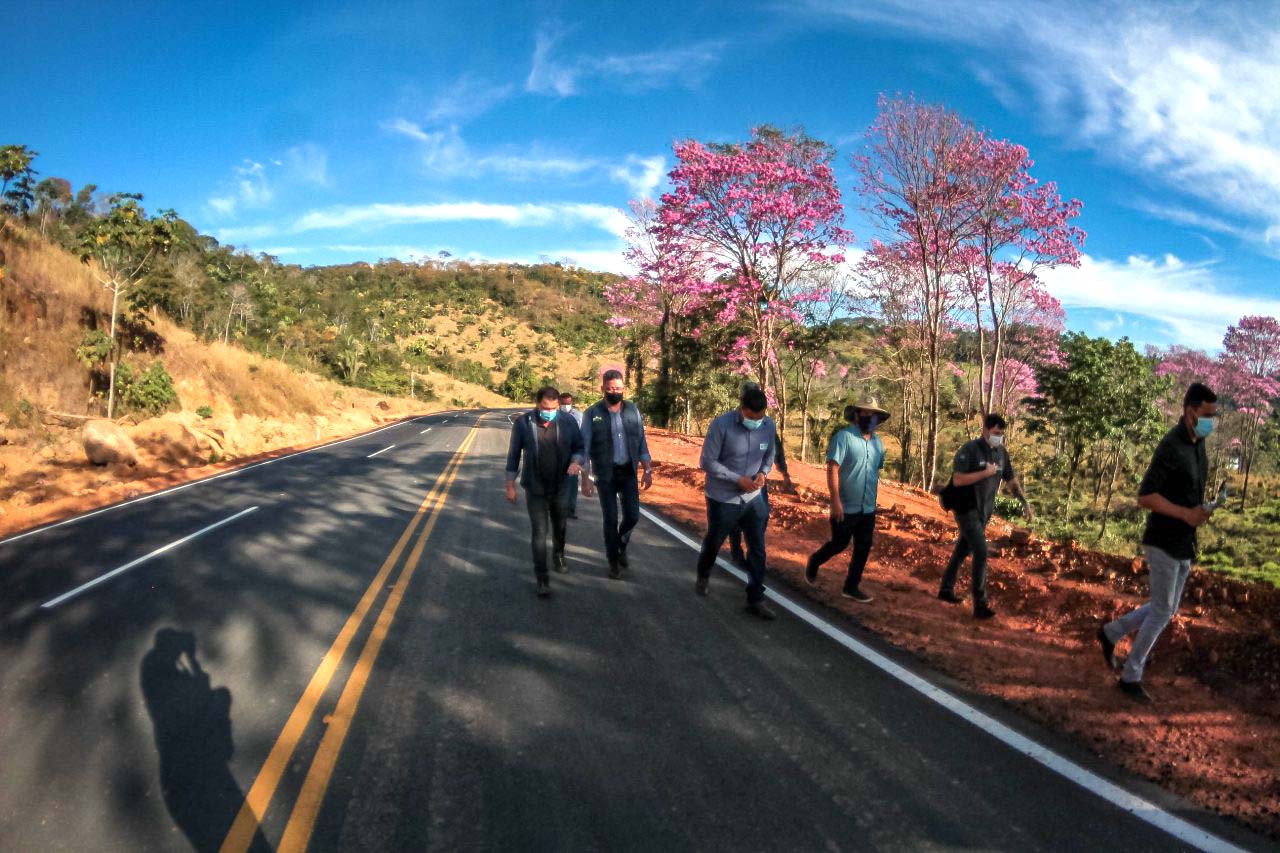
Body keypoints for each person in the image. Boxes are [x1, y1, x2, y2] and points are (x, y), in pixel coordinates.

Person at [1098, 383, 1218, 704]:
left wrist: (1201, 511)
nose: (1211, 422)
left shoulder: (1198, 444)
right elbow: (1145, 496)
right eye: (1207, 415)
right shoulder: (1171, 446)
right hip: (1163, 540)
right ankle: (1131, 675)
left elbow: (1187, 492)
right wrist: (1184, 514)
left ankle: (1111, 633)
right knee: (1164, 609)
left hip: (1185, 541)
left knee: (1166, 608)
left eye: (1214, 416)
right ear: (1190, 411)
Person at [937, 413, 1033, 619]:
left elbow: (1011, 480)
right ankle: (980, 604)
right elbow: (958, 480)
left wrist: (1024, 502)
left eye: (1001, 434)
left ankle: (945, 590)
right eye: (995, 433)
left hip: (984, 512)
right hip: (966, 509)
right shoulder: (970, 450)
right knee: (981, 551)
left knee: (962, 550)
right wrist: (985, 473)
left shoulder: (1001, 454)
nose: (999, 437)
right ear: (985, 430)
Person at [695, 385, 778, 620]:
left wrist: (763, 473)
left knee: (758, 548)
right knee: (714, 541)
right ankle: (703, 574)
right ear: (742, 410)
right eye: (752, 417)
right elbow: (707, 461)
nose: (757, 422)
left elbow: (769, 455)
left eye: (760, 417)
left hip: (754, 497)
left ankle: (755, 598)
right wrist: (736, 479)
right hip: (723, 497)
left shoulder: (769, 426)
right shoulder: (722, 425)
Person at [805, 400, 889, 603]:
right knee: (839, 543)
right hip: (845, 505)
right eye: (865, 414)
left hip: (868, 507)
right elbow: (832, 468)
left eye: (873, 415)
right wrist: (835, 501)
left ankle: (851, 587)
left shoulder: (878, 443)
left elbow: (875, 471)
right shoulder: (843, 438)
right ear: (857, 415)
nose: (870, 418)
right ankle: (815, 560)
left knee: (863, 546)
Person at [506, 386, 585, 596]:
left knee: (560, 525)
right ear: (537, 404)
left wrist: (576, 462)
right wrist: (510, 484)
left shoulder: (568, 422)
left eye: (553, 407)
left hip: (562, 486)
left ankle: (559, 554)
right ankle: (542, 577)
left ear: (559, 406)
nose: (548, 411)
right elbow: (513, 454)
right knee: (539, 533)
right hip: (535, 487)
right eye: (544, 407)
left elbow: (579, 447)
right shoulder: (523, 423)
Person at [581, 370, 653, 579]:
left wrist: (647, 470)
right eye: (611, 388)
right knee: (610, 519)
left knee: (632, 515)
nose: (615, 392)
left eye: (619, 389)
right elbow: (584, 448)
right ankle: (613, 561)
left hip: (628, 472)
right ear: (603, 388)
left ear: (624, 389)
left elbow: (641, 442)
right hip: (605, 475)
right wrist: (586, 478)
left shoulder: (632, 410)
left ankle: (621, 543)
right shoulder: (592, 413)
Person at [729, 433, 793, 567]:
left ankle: (753, 554)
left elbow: (777, 452)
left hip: (758, 482)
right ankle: (736, 551)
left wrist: (785, 474)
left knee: (761, 517)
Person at [558, 392, 585, 519]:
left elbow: (583, 435)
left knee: (572, 482)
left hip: (573, 453)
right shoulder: (554, 416)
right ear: (559, 403)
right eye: (563, 404)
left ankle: (570, 510)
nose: (566, 406)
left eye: (568, 403)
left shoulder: (579, 416)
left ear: (572, 403)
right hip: (556, 453)